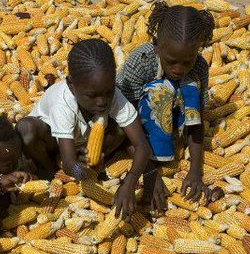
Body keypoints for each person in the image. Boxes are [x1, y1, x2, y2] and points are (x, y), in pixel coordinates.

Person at [16, 38, 152, 217]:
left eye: (108, 91)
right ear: (72, 86)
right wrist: (83, 173)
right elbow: (70, 164)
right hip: (53, 141)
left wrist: (131, 180)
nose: (102, 101)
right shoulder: (62, 103)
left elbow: (142, 144)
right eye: (92, 96)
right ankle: (48, 169)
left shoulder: (113, 96)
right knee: (26, 130)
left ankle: (98, 160)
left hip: (84, 140)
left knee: (126, 126)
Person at [117, 1, 223, 206]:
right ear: (157, 45)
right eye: (171, 61)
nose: (178, 69)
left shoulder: (199, 67)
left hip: (175, 117)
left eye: (187, 61)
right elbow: (126, 120)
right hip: (134, 121)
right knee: (161, 90)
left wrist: (195, 172)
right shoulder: (142, 60)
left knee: (189, 85)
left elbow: (197, 120)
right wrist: (150, 173)